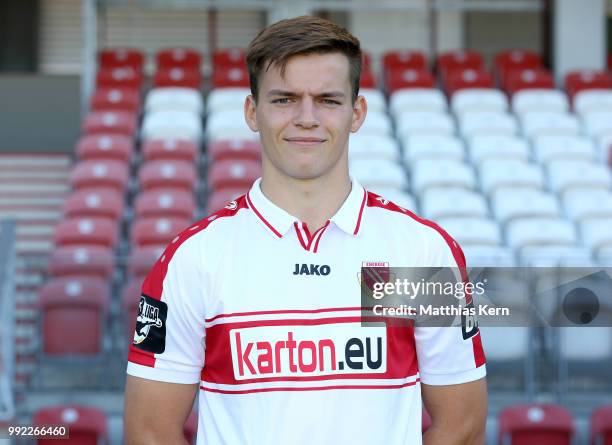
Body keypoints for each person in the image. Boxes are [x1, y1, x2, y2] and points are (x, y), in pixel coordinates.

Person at [124, 15, 487, 445]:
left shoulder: (421, 253)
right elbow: (149, 431)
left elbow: (462, 427)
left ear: (357, 113)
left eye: (328, 100)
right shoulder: (195, 258)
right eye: (284, 99)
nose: (307, 118)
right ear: (251, 112)